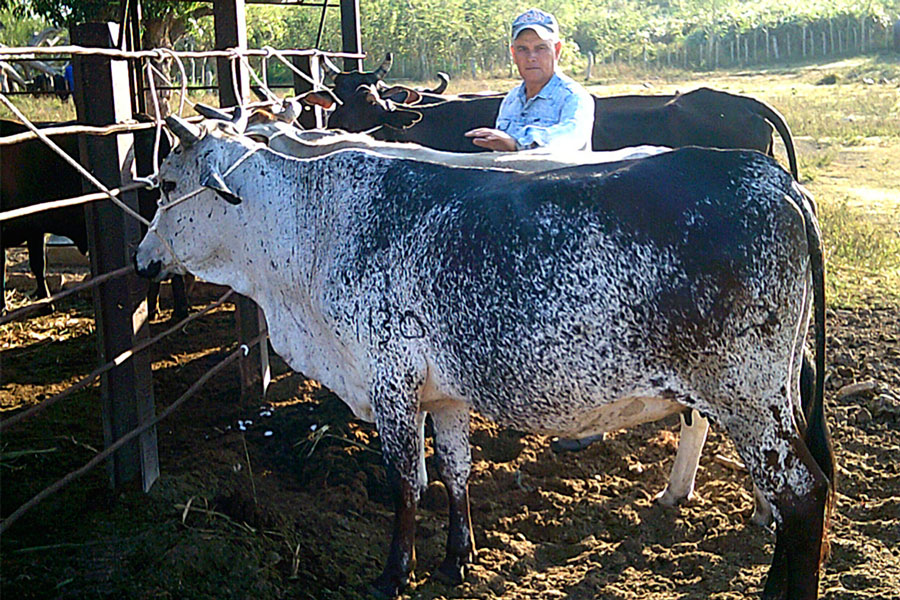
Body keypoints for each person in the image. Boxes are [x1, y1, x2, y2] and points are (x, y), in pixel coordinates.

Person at [465, 8, 594, 152]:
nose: (531, 56)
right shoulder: (511, 100)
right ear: (513, 54)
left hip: (561, 174)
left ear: (557, 50)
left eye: (541, 48)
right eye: (522, 49)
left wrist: (517, 143)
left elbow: (571, 136)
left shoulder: (573, 97)